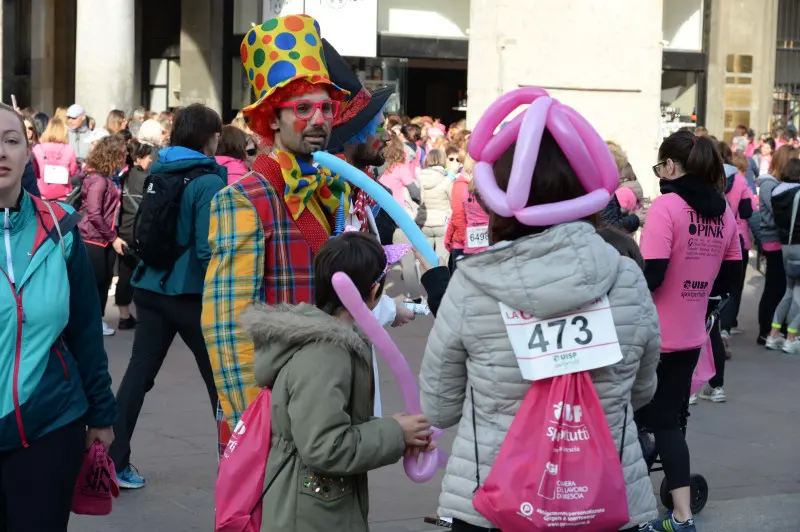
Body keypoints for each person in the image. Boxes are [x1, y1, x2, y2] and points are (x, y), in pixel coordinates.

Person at [420, 92, 660, 532]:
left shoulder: (471, 287)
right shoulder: (627, 279)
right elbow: (642, 391)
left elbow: (439, 407)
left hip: (492, 502)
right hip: (604, 499)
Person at [205, 16, 415, 439]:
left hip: (335, 406)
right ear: (273, 120)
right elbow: (227, 328)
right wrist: (251, 427)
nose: (318, 119)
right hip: (279, 416)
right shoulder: (244, 198)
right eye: (302, 108)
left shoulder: (331, 192)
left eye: (325, 108)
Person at [240, 232, 433, 531]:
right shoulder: (326, 353)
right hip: (310, 512)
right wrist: (394, 432)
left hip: (315, 504)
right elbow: (324, 446)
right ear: (373, 290)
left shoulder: (328, 341)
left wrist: (391, 428)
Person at [0, 102, 117, 531]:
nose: (1, 153)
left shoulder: (59, 226)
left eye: (11, 141)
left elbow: (86, 328)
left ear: (27, 152)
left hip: (50, 424)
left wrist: (102, 414)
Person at [108, 104, 226, 488]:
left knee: (137, 375)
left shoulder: (159, 168)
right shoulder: (208, 181)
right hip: (190, 292)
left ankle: (112, 461)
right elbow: (209, 248)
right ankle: (236, 463)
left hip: (149, 285)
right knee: (222, 382)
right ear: (209, 136)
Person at [639, 131, 741, 531]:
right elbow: (732, 276)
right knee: (667, 423)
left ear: (671, 167)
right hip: (690, 335)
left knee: (626, 420)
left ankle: (622, 506)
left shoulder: (667, 206)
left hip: (649, 336)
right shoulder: (725, 213)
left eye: (659, 166)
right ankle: (682, 517)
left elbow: (653, 274)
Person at [77, 135, 126, 336]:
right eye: (122, 154)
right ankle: (90, 325)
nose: (125, 158)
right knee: (95, 283)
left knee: (103, 282)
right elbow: (94, 214)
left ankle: (96, 321)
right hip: (92, 238)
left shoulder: (105, 178)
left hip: (102, 238)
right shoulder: (97, 179)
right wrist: (113, 238)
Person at [759, 146, 800, 345]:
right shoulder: (774, 187)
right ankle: (772, 331)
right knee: (778, 289)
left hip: (779, 241)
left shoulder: (776, 187)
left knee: (782, 288)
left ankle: (775, 331)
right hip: (778, 241)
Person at [717, 142, 754, 354]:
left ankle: (708, 329)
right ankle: (725, 331)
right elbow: (748, 210)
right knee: (733, 287)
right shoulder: (739, 179)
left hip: (711, 236)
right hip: (737, 237)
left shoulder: (708, 176)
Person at [115, 139, 154, 330]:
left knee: (125, 274)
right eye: (148, 157)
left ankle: (124, 315)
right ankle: (147, 315)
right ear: (139, 158)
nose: (151, 160)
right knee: (146, 274)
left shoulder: (122, 176)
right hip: (141, 232)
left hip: (123, 231)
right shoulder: (148, 178)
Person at [417, 149, 453, 262]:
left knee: (425, 260)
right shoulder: (447, 180)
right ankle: (442, 279)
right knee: (442, 260)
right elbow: (453, 201)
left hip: (423, 222)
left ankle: (423, 279)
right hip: (442, 223)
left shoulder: (418, 178)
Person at [32, 119, 80, 201]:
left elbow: (35, 172)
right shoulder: (69, 149)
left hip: (42, 194)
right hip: (63, 196)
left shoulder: (37, 149)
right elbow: (73, 172)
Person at [444, 156, 474, 269]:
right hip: (467, 243)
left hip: (464, 242)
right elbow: (458, 215)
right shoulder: (461, 185)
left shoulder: (461, 184)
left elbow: (456, 215)